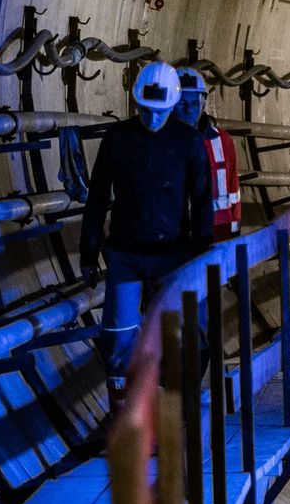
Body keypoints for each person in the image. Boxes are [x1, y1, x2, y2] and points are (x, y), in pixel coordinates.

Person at [79, 60, 211, 390]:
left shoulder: (188, 142)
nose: (152, 119)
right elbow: (97, 196)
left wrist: (202, 252)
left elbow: (202, 201)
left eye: (160, 111)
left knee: (172, 335)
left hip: (172, 256)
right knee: (118, 335)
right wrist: (88, 251)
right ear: (136, 103)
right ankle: (123, 414)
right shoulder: (117, 138)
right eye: (146, 111)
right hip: (125, 254)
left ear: (171, 105)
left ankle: (171, 410)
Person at [176, 68, 243, 240]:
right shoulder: (160, 143)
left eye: (194, 103)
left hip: (217, 233)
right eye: (181, 103)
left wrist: (233, 234)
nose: (188, 110)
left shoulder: (222, 140)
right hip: (174, 238)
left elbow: (233, 189)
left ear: (204, 103)